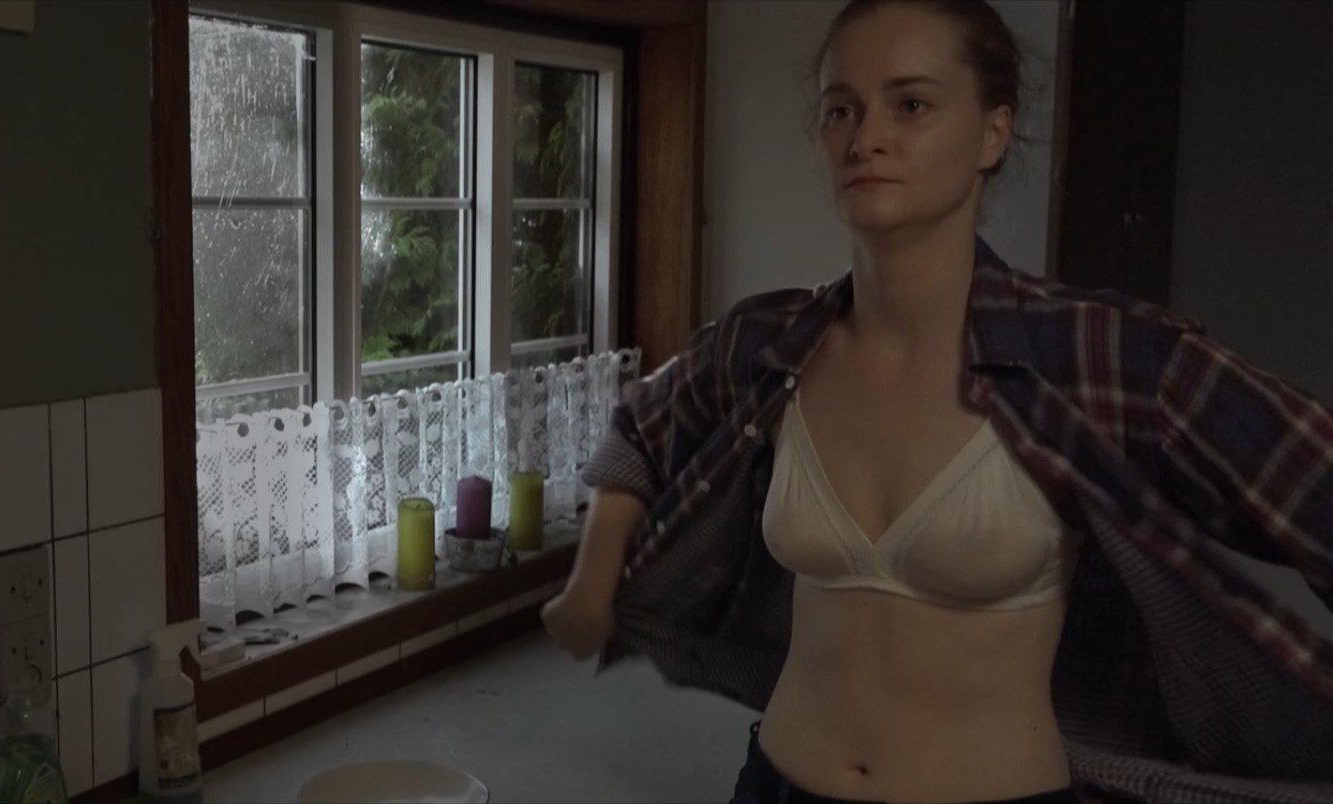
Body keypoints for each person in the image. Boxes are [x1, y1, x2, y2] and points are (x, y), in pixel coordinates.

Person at [541, 1, 1333, 803]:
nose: (865, 138)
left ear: (993, 133)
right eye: (841, 110)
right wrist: (590, 589)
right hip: (778, 783)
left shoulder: (1096, 355)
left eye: (911, 104)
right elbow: (640, 425)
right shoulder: (771, 342)